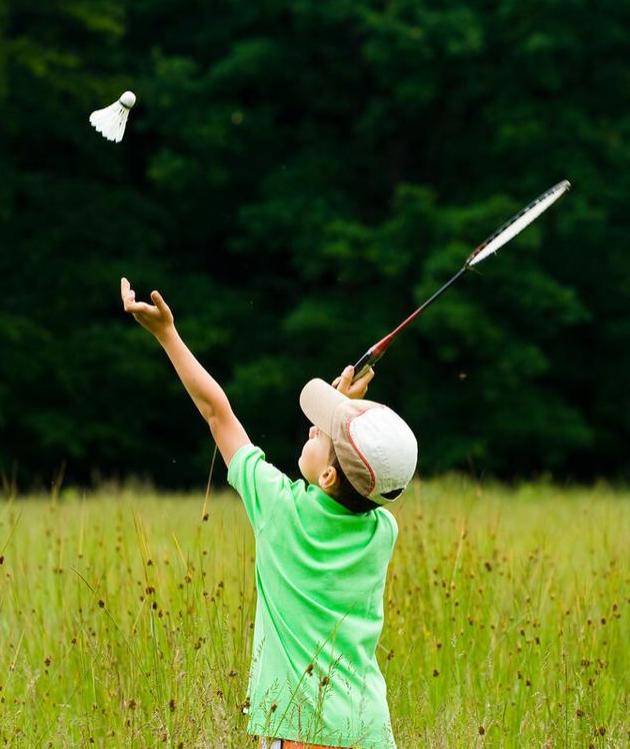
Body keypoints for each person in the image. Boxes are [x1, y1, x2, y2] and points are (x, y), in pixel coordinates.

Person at [121, 278, 418, 749]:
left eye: (320, 433)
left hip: (300, 734)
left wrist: (167, 335)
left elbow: (217, 413)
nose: (312, 428)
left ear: (328, 478)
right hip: (369, 732)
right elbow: (365, 476)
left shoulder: (277, 508)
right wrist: (342, 413)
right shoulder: (383, 529)